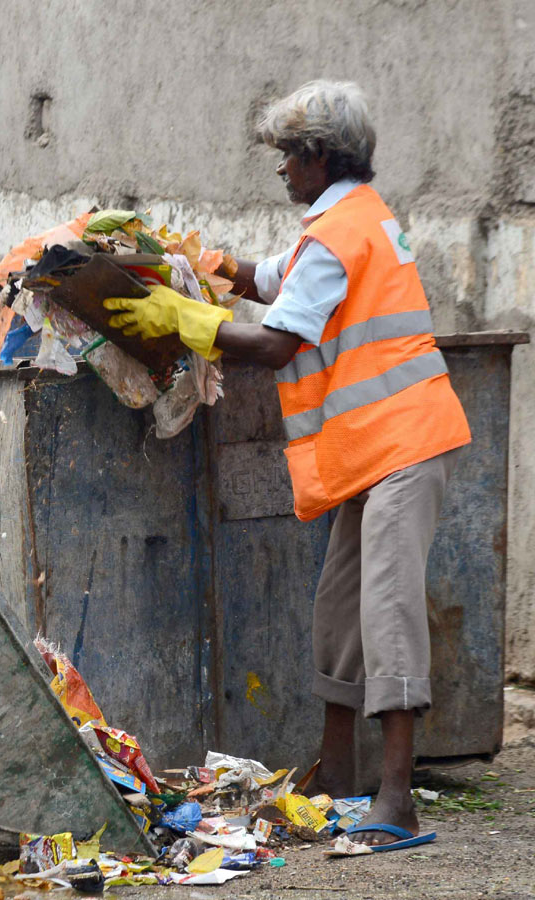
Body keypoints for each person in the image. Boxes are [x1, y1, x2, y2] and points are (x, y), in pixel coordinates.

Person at [105, 80, 471, 849]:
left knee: (387, 611)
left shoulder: (340, 235)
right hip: (374, 450)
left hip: (402, 444)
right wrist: (200, 264)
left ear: (317, 155)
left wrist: (187, 319)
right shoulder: (340, 223)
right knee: (339, 610)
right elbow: (273, 278)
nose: (278, 171)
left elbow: (276, 341)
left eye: (284, 156)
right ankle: (338, 778)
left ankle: (396, 801)